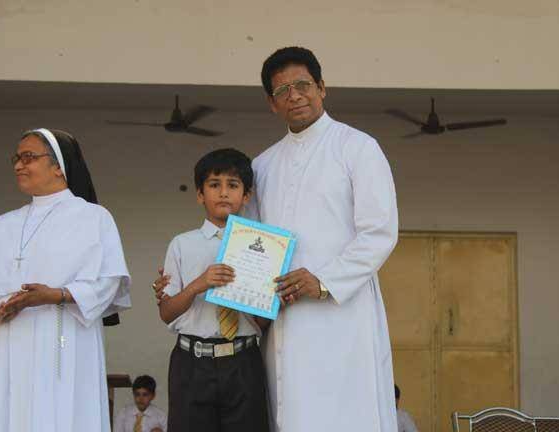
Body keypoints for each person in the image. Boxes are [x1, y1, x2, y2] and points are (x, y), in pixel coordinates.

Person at [247, 46, 399, 432]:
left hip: (344, 314)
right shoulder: (262, 165)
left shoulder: (357, 147)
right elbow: (253, 243)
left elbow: (379, 232)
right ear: (272, 103)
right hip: (285, 318)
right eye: (283, 90)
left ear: (322, 88)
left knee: (347, 411)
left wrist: (324, 281)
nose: (295, 96)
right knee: (293, 410)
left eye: (303, 85)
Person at [0, 128, 131, 432]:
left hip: (62, 341)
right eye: (16, 158)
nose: (18, 165)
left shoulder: (94, 218)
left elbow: (108, 282)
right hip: (4, 345)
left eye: (28, 157)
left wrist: (56, 295)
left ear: (58, 166)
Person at [155, 148, 269, 432]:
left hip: (244, 360)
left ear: (246, 195)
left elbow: (263, 322)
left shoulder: (263, 247)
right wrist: (199, 284)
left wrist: (263, 296)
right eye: (214, 184)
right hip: (191, 362)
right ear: (199, 194)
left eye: (233, 185)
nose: (224, 193)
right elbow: (167, 312)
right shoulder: (182, 244)